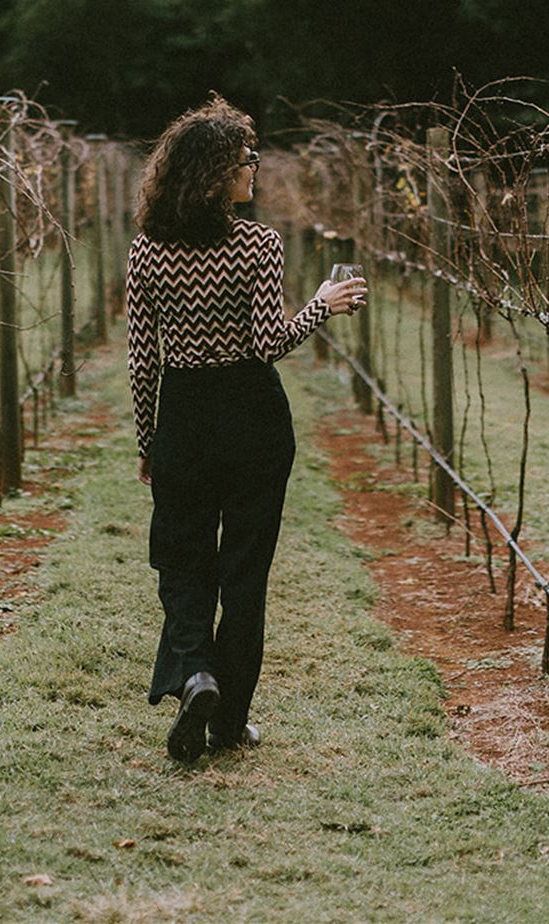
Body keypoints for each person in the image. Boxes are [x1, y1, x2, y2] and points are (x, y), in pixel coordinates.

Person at [125, 95, 367, 761]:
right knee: (246, 571)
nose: (253, 168)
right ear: (215, 173)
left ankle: (195, 673)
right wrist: (320, 304)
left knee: (182, 561)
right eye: (244, 159)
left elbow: (143, 358)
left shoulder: (147, 252)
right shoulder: (257, 244)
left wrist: (149, 440)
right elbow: (268, 343)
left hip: (186, 414)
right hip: (254, 416)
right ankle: (229, 720)